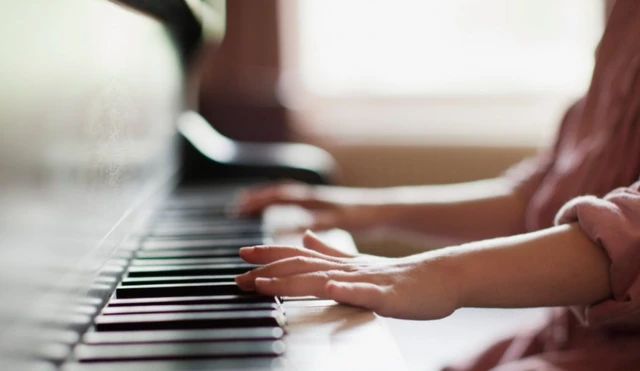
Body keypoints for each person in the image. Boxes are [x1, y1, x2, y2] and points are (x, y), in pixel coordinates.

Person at [233, 0, 640, 369]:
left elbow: (627, 236)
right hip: (563, 338)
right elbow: (538, 196)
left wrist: (436, 274)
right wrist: (369, 212)